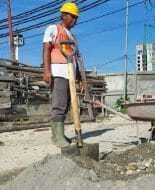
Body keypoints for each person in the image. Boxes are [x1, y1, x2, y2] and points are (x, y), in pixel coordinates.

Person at [43, 2, 82, 148]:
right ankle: (56, 136)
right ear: (63, 15)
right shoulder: (54, 29)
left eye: (76, 18)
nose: (74, 20)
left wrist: (79, 79)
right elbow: (46, 49)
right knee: (59, 104)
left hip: (71, 74)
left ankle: (60, 134)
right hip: (58, 72)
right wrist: (47, 70)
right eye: (72, 16)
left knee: (66, 105)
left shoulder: (73, 37)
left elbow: (75, 58)